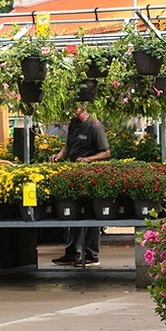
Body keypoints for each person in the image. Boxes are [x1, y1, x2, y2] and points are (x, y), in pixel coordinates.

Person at [50, 105, 111, 267]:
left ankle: (92, 255)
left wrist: (88, 159)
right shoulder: (73, 124)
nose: (70, 110)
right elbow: (68, 146)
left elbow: (106, 152)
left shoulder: (94, 126)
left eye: (74, 107)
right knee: (74, 213)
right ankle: (71, 253)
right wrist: (60, 155)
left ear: (83, 107)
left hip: (90, 176)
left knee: (90, 213)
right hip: (75, 174)